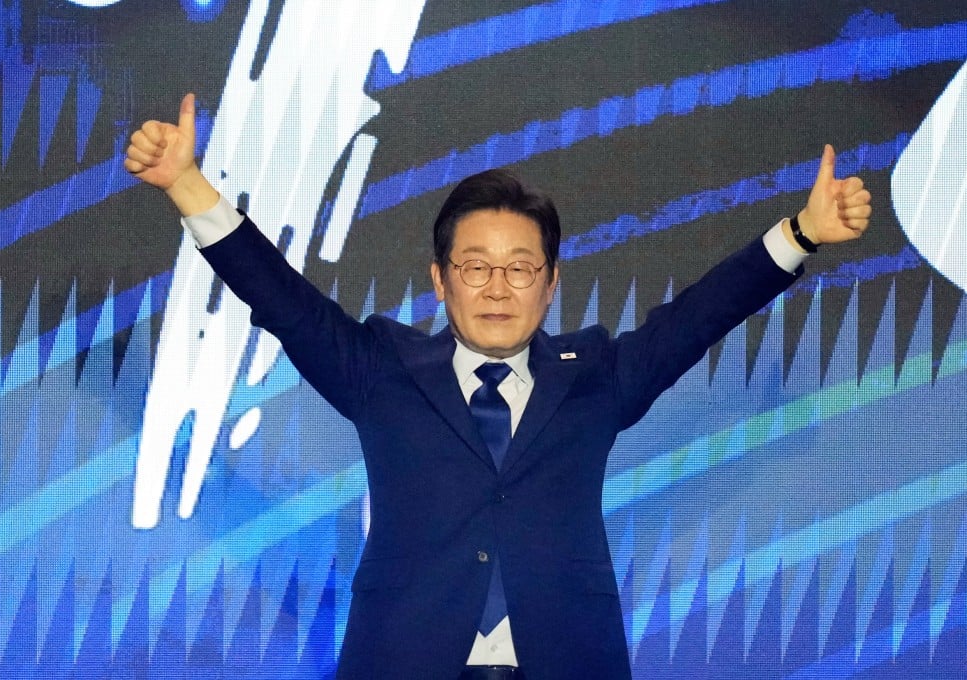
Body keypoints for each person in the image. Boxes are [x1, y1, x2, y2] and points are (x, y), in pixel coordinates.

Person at [125, 94, 871, 680]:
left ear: (551, 284)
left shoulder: (596, 377)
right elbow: (280, 297)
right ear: (440, 280)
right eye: (475, 266)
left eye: (520, 267)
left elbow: (700, 316)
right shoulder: (382, 370)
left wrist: (799, 234)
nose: (497, 286)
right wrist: (188, 185)